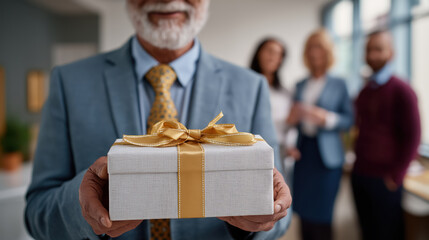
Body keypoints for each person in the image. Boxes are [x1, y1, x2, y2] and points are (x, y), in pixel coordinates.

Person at [24, 0, 292, 239]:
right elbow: (38, 214)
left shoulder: (251, 87)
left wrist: (257, 218)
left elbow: (280, 213)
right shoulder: (69, 82)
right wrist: (80, 207)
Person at [352, 30, 421, 240]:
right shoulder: (365, 91)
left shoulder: (403, 90)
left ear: (391, 53)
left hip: (385, 178)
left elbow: (414, 136)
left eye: (378, 49)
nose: (372, 54)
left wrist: (396, 175)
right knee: (367, 231)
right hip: (360, 174)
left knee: (387, 233)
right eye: (369, 49)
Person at [287, 29, 354, 240]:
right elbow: (291, 124)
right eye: (310, 48)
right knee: (304, 214)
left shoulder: (339, 84)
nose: (315, 53)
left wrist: (327, 118)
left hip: (327, 158)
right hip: (304, 153)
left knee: (323, 216)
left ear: (327, 52)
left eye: (319, 47)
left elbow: (349, 119)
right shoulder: (299, 85)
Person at [249, 38, 299, 163]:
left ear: (281, 60)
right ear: (258, 54)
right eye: (269, 51)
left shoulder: (285, 93)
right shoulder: (245, 89)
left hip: (278, 149)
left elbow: (290, 126)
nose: (272, 57)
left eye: (278, 54)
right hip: (250, 148)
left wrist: (290, 145)